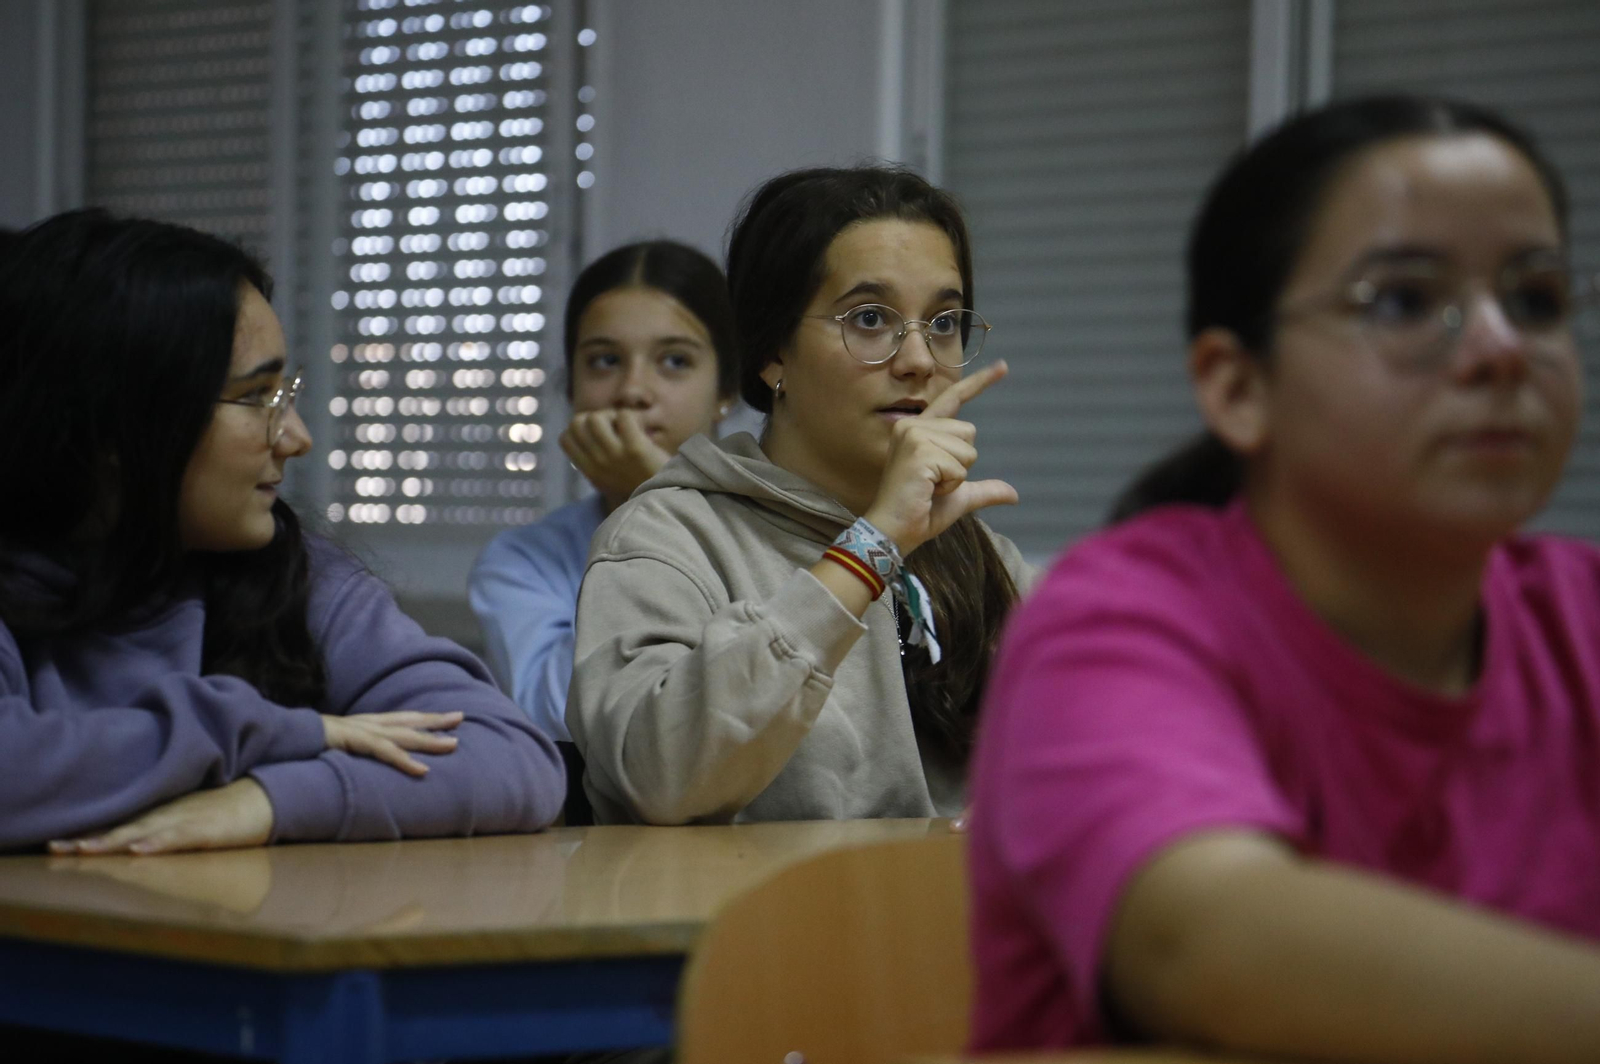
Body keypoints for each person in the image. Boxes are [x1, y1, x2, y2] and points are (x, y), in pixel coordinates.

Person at [967, 94, 1600, 1063]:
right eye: (1402, 300)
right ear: (1236, 386)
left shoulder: (1580, 615)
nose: (1499, 350)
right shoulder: (1120, 620)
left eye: (1536, 299)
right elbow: (1207, 940)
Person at [0, 209, 565, 854]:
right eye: (254, 398)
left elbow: (512, 756)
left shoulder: (300, 579)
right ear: (113, 425)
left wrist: (267, 801)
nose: (297, 438)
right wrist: (282, 731)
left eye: (285, 392)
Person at [568, 165, 1034, 826]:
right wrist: (871, 549)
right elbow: (656, 778)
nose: (919, 360)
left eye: (944, 321)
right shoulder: (667, 537)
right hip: (749, 922)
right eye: (870, 319)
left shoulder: (975, 549)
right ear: (771, 355)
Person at [469, 240, 738, 766]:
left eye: (675, 361)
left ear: (725, 389)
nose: (633, 390)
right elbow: (561, 714)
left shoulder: (783, 530)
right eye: (605, 361)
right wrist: (648, 506)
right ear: (571, 387)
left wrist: (660, 499)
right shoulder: (522, 561)